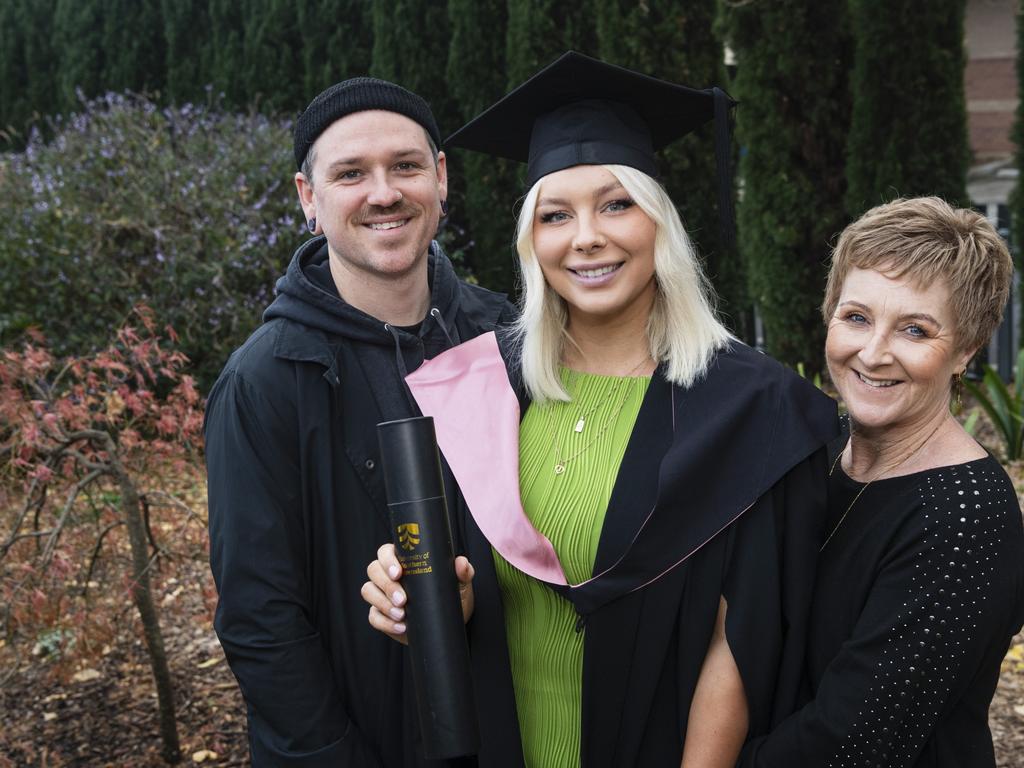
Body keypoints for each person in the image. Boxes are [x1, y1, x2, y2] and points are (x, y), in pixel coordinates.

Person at [363, 52, 840, 768]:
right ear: (533, 242)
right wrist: (424, 605)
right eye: (556, 215)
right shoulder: (477, 391)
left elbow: (741, 638)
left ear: (661, 224)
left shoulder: (752, 407)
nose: (586, 236)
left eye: (616, 204)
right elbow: (467, 600)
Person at [204, 77, 515, 766]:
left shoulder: (509, 338)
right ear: (308, 199)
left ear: (440, 179)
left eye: (405, 166)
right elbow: (262, 620)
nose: (383, 193)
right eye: (350, 174)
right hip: (362, 741)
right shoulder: (264, 382)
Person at [738, 197, 1024, 768]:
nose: (873, 353)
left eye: (914, 330)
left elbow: (853, 744)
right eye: (857, 317)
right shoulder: (810, 461)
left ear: (965, 349)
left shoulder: (965, 517)